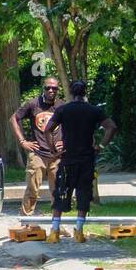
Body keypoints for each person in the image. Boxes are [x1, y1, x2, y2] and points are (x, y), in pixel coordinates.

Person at [45, 80, 117, 243]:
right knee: (84, 193)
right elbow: (111, 127)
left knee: (61, 192)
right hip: (86, 159)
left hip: (67, 158)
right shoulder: (94, 111)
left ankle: (54, 232)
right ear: (85, 92)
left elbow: (47, 129)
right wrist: (100, 146)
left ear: (70, 92)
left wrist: (53, 151)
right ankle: (79, 231)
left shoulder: (63, 110)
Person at [10, 77, 64, 216]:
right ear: (43, 88)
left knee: (57, 190)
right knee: (32, 189)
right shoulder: (33, 104)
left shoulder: (62, 106)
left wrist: (65, 142)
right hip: (38, 153)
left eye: (54, 88)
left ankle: (57, 224)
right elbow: (14, 119)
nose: (51, 90)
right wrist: (23, 141)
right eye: (48, 87)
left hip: (57, 156)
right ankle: (26, 221)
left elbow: (72, 125)